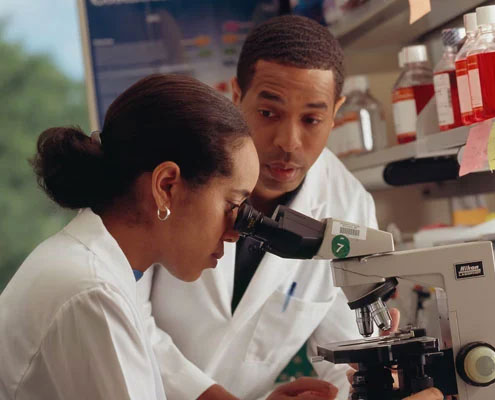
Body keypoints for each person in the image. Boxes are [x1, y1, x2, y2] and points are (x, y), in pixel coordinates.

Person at [142, 15, 443, 400]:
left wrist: (364, 380)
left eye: (312, 119)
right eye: (269, 113)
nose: (289, 141)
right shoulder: (176, 174)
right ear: (237, 96)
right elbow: (125, 316)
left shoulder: (348, 205)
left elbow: (343, 357)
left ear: (336, 112)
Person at [0, 74, 338, 400]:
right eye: (232, 204)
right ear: (166, 187)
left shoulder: (92, 266)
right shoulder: (92, 293)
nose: (237, 232)